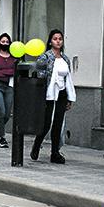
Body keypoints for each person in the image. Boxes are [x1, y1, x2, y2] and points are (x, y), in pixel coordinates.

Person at [31, 29, 74, 164]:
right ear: (50, 41)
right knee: (46, 123)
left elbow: (68, 78)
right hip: (49, 93)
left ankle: (55, 153)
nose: (58, 41)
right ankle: (37, 145)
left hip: (61, 93)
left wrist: (69, 97)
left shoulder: (65, 58)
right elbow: (38, 73)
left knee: (58, 123)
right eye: (55, 39)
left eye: (60, 39)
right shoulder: (45, 57)